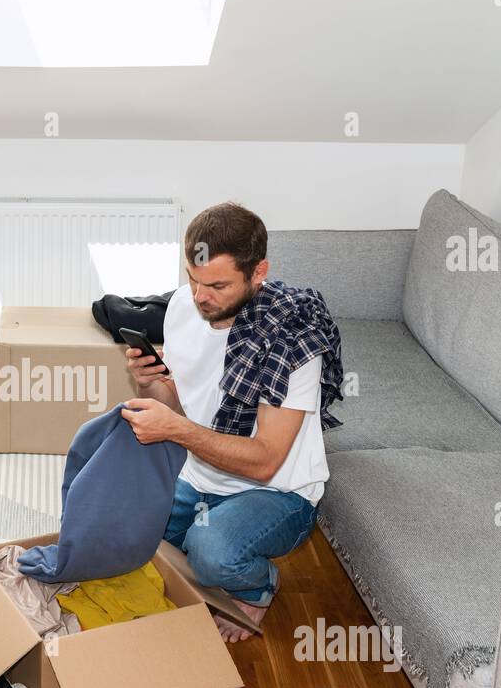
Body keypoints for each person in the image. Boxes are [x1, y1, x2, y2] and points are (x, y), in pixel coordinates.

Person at [122, 202, 343, 643]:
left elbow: (265, 461)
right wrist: (152, 384)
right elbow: (183, 408)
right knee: (130, 526)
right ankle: (205, 537)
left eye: (218, 285)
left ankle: (259, 587)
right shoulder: (186, 306)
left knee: (213, 555)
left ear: (258, 272)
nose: (202, 296)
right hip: (201, 473)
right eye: (194, 279)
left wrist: (175, 430)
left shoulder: (292, 341)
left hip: (276, 491)